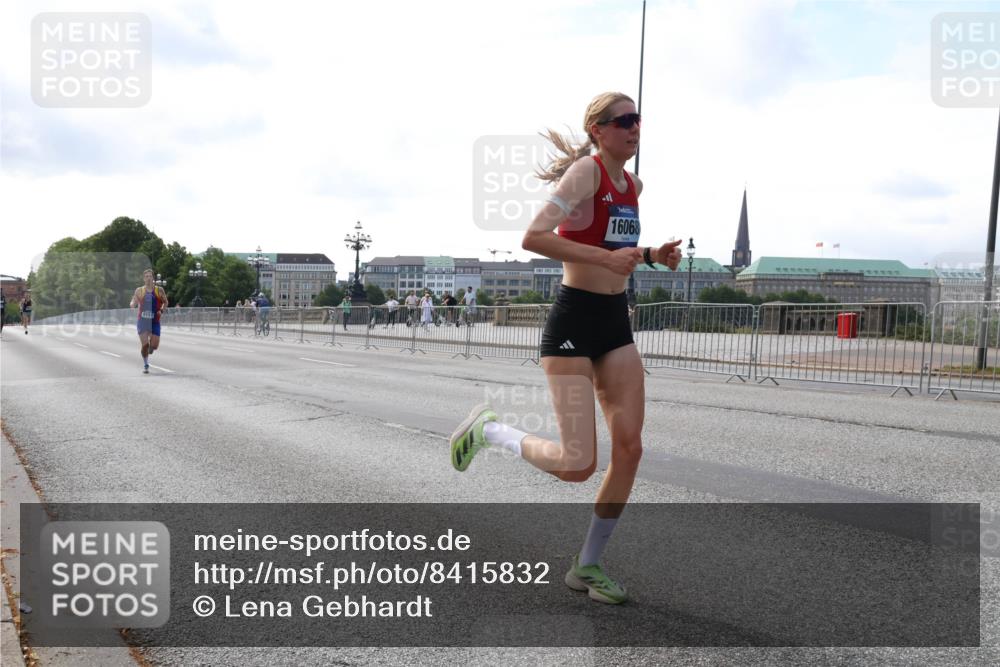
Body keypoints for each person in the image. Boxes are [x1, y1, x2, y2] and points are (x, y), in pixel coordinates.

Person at [448, 92, 682, 605]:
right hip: (573, 321)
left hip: (615, 325)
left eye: (638, 118)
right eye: (623, 120)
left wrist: (651, 254)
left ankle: (588, 566)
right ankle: (490, 430)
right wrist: (614, 257)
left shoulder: (634, 185)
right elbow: (534, 237)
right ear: (598, 130)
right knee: (578, 464)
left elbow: (618, 252)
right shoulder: (584, 174)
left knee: (630, 448)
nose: (634, 127)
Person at [130, 269, 169, 373]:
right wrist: (132, 304)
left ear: (153, 278)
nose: (148, 278)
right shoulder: (140, 290)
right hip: (142, 321)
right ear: (144, 279)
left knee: (154, 346)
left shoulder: (159, 290)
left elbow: (166, 302)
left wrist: (161, 310)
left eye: (150, 276)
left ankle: (150, 349)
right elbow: (134, 300)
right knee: (145, 345)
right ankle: (146, 364)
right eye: (146, 276)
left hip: (155, 321)